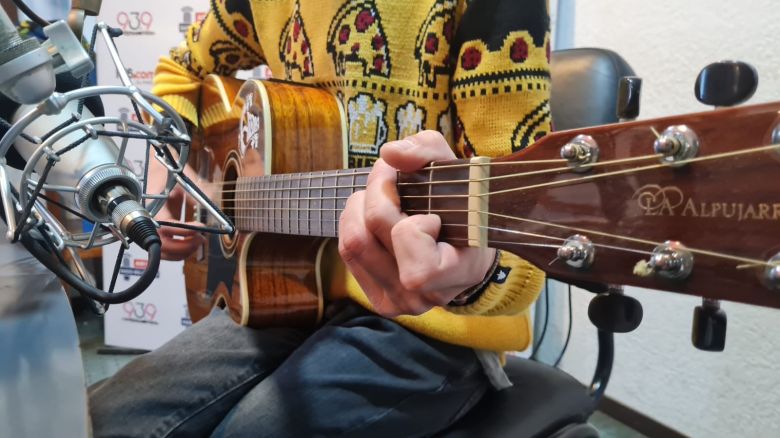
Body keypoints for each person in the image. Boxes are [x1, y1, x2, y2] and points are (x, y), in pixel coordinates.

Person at [89, 0, 552, 436]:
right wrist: (167, 165)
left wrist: (478, 273)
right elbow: (182, 66)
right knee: (107, 418)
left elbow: (526, 212)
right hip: (287, 288)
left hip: (436, 323)